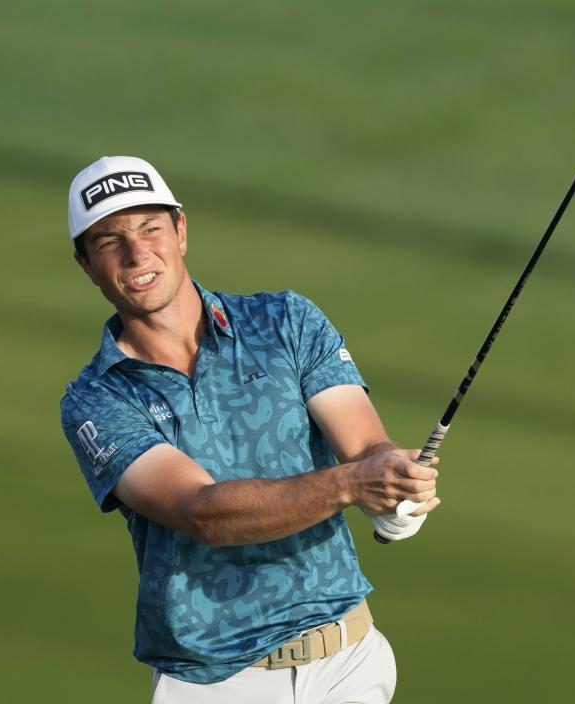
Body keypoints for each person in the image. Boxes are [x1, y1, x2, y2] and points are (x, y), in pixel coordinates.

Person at [60, 156, 441, 704]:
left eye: (151, 229)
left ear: (181, 231)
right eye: (108, 241)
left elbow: (365, 448)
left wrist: (393, 483)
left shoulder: (285, 321)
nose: (137, 253)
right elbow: (201, 513)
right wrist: (352, 485)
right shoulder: (99, 399)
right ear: (85, 263)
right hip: (215, 684)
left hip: (346, 661)